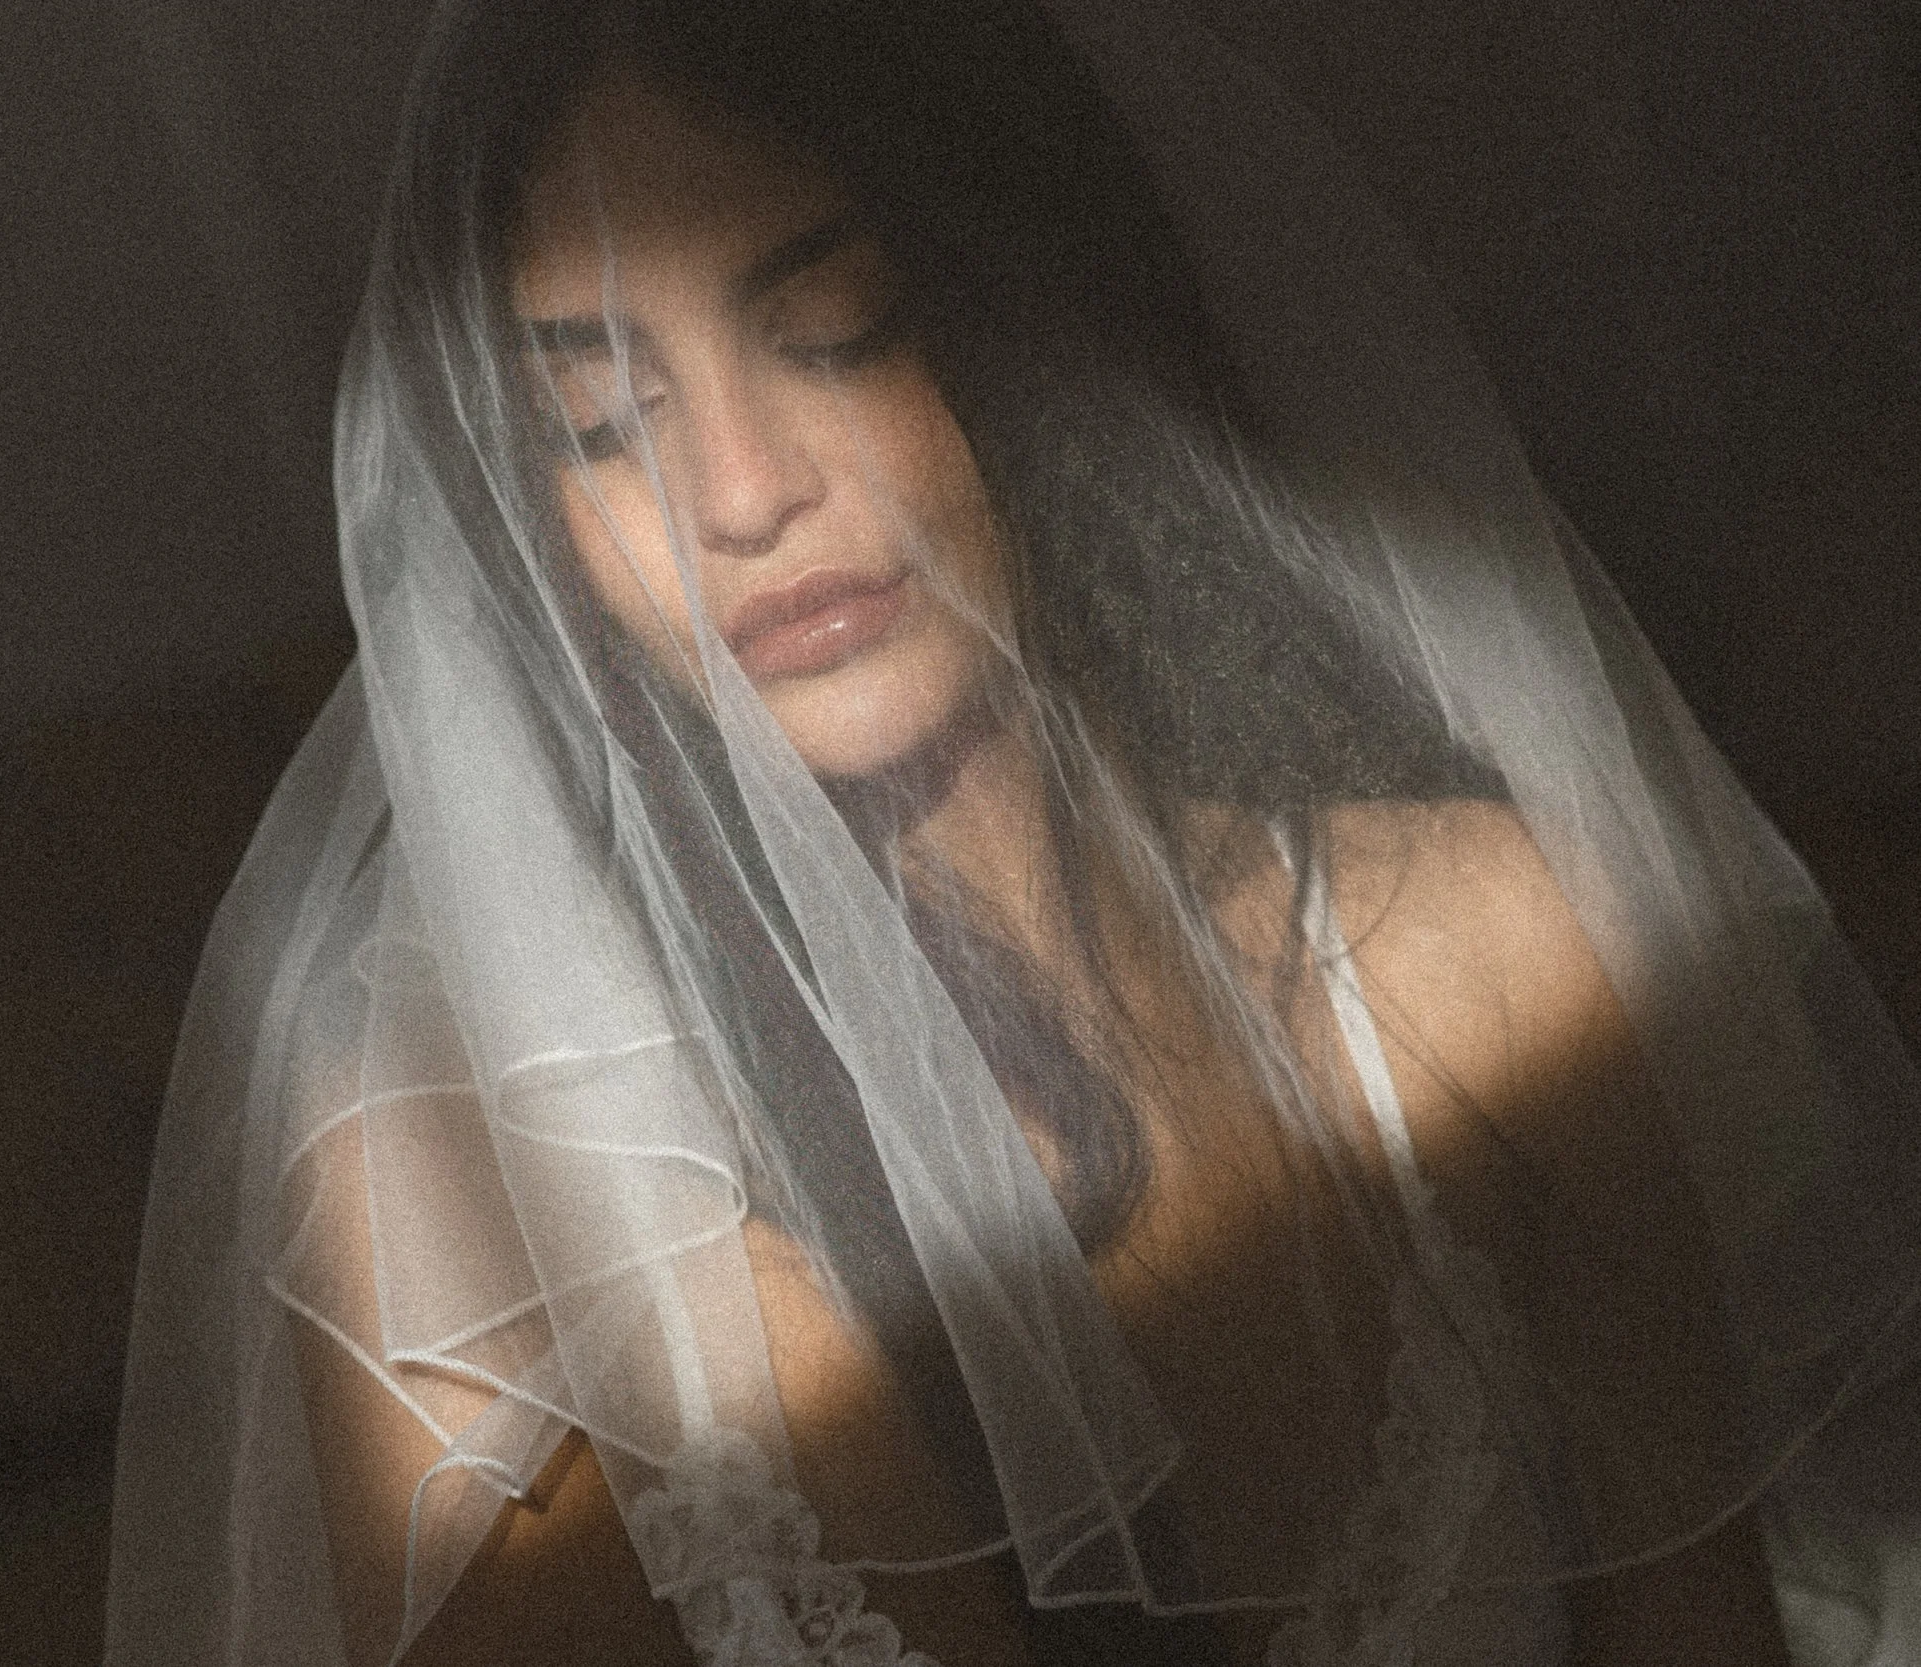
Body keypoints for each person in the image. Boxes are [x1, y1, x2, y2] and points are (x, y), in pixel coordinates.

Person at [105, 1, 1921, 1663]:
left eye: (836, 331)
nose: (739, 492)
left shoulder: (1469, 947)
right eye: (599, 421)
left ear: (1026, 323)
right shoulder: (472, 1196)